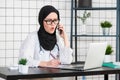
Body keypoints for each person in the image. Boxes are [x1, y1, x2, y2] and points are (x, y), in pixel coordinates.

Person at [19, 5, 73, 80]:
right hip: (35, 77)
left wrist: (65, 38)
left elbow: (67, 61)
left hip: (51, 76)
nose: (53, 24)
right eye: (49, 21)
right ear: (42, 21)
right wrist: (46, 63)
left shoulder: (57, 38)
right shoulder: (33, 37)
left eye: (55, 20)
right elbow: (23, 60)